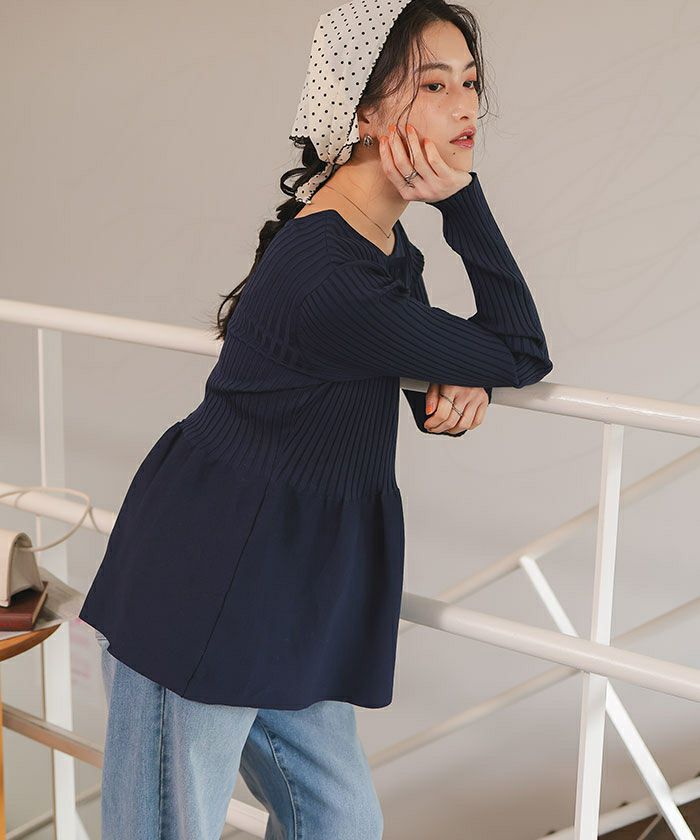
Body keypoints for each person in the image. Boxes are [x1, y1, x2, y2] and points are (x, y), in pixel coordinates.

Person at [81, 1, 555, 837]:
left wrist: (458, 372)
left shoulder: (380, 247)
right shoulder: (331, 274)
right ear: (364, 114)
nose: (465, 107)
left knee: (340, 823)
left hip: (289, 588)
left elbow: (433, 374)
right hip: (208, 579)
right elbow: (519, 348)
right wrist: (464, 205)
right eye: (434, 85)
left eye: (470, 83)